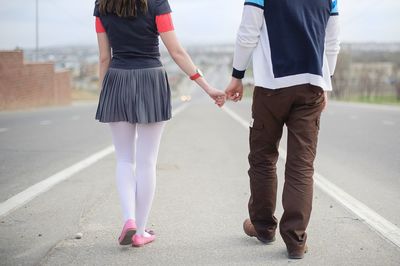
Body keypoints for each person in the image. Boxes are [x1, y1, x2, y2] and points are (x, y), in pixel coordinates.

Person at [94, 0, 225, 248]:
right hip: (150, 79)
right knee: (147, 161)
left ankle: (129, 220)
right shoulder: (156, 3)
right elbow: (176, 51)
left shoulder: (102, 5)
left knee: (123, 159)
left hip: (117, 79)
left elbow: (103, 58)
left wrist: (105, 92)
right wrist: (206, 87)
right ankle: (140, 231)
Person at [225, 0, 340, 259]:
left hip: (271, 87)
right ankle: (296, 241)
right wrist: (325, 81)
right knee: (301, 165)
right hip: (311, 86)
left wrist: (237, 75)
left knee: (263, 158)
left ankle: (263, 227)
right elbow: (332, 42)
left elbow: (247, 33)